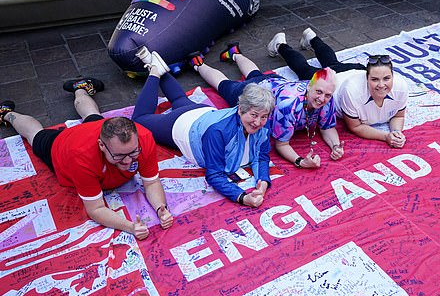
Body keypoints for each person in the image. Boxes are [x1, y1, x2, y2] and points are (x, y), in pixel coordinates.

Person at [0, 78, 173, 240]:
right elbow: (96, 209)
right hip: (61, 145)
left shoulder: (143, 138)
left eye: (133, 153)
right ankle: (6, 113)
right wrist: (130, 227)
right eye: (119, 156)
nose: (128, 161)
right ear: (102, 145)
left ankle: (80, 88)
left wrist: (161, 209)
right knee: (35, 135)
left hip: (94, 130)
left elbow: (151, 183)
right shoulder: (81, 157)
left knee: (93, 116)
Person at [131, 47, 275, 207]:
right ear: (240, 109)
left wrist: (263, 182)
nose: (258, 122)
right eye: (254, 115)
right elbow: (214, 174)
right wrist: (242, 197)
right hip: (183, 125)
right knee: (139, 120)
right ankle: (154, 72)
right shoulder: (218, 132)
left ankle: (157, 64)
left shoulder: (263, 123)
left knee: (179, 99)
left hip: (203, 113)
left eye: (263, 117)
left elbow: (262, 156)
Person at [191, 43, 345, 169]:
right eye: (318, 92)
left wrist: (336, 146)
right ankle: (198, 64)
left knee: (255, 73)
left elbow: (327, 127)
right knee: (225, 85)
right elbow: (282, 144)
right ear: (309, 87)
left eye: (327, 95)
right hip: (258, 94)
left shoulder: (325, 95)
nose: (322, 99)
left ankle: (234, 53)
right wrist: (300, 161)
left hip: (273, 82)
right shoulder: (289, 106)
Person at [268, 29, 408, 148]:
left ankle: (312, 37)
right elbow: (355, 127)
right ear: (367, 78)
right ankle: (280, 45)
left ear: (393, 77)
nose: (382, 85)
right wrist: (385, 136)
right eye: (375, 79)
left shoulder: (401, 87)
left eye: (386, 78)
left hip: (354, 70)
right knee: (304, 69)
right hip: (337, 80)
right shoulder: (352, 92)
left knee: (333, 62)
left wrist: (396, 132)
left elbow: (399, 115)